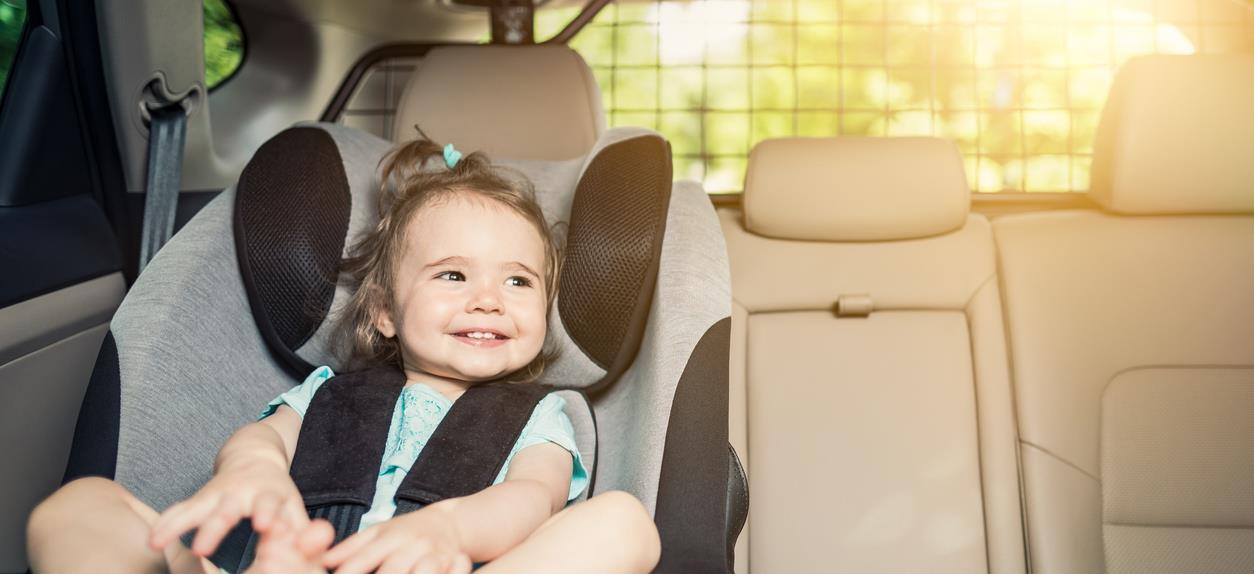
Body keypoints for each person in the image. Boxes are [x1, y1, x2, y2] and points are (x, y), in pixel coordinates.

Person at [27, 133, 662, 574]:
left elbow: (533, 497)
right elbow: (262, 438)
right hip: (286, 556)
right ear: (384, 311)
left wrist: (449, 531)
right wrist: (253, 474)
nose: (490, 300)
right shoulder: (330, 391)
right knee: (77, 508)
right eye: (452, 276)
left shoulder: (540, 416)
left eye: (519, 281)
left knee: (624, 524)